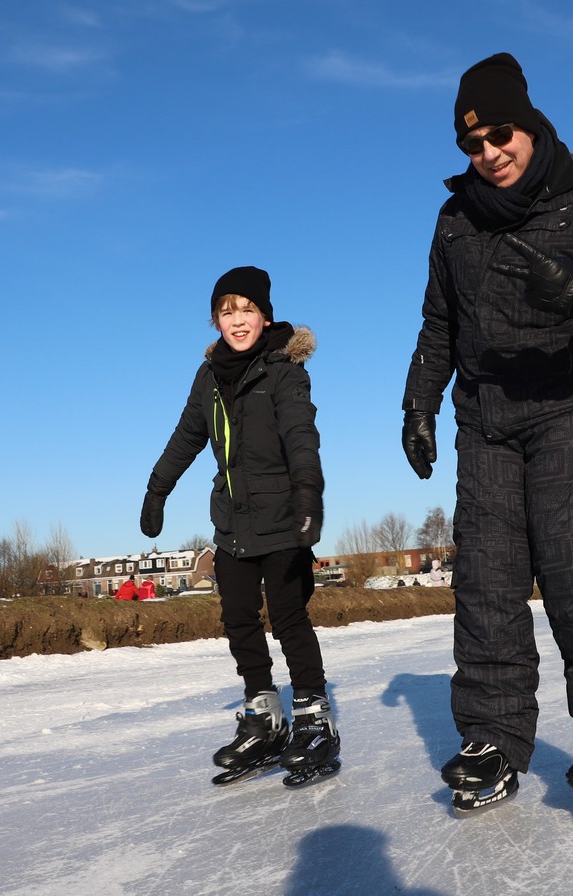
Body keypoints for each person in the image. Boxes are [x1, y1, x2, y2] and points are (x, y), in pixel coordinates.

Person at [400, 52, 573, 821]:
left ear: (530, 124)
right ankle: (491, 736)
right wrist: (418, 404)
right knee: (485, 578)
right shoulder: (456, 220)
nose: (488, 153)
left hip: (571, 401)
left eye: (499, 135)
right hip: (486, 416)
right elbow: (440, 322)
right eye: (472, 144)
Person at [140, 266, 339, 784]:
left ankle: (314, 718)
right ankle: (264, 716)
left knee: (289, 618)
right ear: (216, 322)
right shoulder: (208, 377)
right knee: (238, 619)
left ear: (265, 316)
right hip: (232, 523)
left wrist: (308, 493)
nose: (238, 320)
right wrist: (157, 489)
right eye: (226, 312)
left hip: (283, 521)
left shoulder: (284, 371)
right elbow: (187, 437)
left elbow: (301, 435)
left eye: (247, 309)